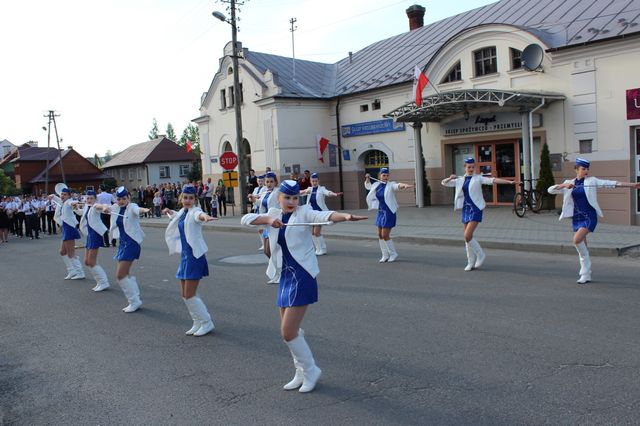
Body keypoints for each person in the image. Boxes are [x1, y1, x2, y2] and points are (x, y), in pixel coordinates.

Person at [241, 180, 367, 393]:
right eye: (287, 197)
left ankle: (310, 370)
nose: (291, 201)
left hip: (302, 275)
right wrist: (269, 220)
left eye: (295, 198)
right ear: (279, 198)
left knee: (288, 331)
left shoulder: (304, 213)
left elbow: (324, 216)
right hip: (285, 276)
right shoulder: (274, 213)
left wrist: (345, 216)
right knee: (290, 331)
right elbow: (245, 219)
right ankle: (300, 372)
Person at [548, 158, 640, 284]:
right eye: (583, 168)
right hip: (577, 217)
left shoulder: (592, 181)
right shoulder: (569, 182)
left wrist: (632, 185)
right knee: (582, 245)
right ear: (576, 169)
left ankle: (585, 268)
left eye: (587, 169)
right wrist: (563, 186)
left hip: (589, 216)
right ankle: (586, 274)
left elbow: (611, 183)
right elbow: (550, 190)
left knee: (576, 240)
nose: (586, 171)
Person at [441, 158, 516, 271]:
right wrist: (450, 178)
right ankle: (470, 261)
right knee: (467, 238)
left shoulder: (478, 178)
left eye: (473, 167)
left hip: (476, 209)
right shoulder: (460, 179)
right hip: (466, 209)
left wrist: (509, 182)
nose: (471, 169)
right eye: (469, 167)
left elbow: (493, 180)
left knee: (467, 235)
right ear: (465, 167)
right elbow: (444, 183)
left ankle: (480, 254)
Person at [163, 185, 217, 336]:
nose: (187, 200)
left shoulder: (195, 211)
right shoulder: (183, 212)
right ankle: (197, 321)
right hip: (185, 257)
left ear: (195, 199)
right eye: (185, 198)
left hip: (194, 257)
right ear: (181, 198)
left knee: (189, 294)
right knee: (185, 294)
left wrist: (205, 217)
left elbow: (199, 215)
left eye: (191, 198)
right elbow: (179, 217)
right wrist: (170, 212)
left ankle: (206, 322)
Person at [95, 186, 150, 312]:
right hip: (123, 243)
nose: (121, 201)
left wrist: (144, 210)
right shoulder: (115, 207)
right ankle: (135, 296)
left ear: (128, 198)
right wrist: (104, 208)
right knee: (125, 273)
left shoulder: (132, 207)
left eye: (124, 199)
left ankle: (134, 301)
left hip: (132, 243)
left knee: (120, 275)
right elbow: (97, 206)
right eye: (119, 199)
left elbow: (137, 209)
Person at [364, 167, 414, 263]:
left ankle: (393, 253)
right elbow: (368, 186)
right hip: (380, 212)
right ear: (380, 176)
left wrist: (404, 185)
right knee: (379, 235)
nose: (386, 177)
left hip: (389, 212)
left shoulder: (391, 185)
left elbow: (397, 186)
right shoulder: (376, 184)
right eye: (384, 175)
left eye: (387, 175)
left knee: (385, 235)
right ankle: (385, 255)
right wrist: (367, 178)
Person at [299, 172, 342, 255]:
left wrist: (335, 194)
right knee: (312, 233)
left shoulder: (321, 189)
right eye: (312, 181)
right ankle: (318, 249)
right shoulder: (309, 189)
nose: (314, 183)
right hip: (311, 214)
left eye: (316, 181)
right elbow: (301, 193)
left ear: (318, 181)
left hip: (319, 214)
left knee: (316, 232)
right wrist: (297, 192)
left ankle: (323, 248)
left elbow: (328, 192)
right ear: (310, 181)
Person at [248, 172, 280, 280]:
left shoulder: (277, 192)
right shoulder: (266, 192)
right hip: (267, 224)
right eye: (267, 182)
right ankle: (277, 272)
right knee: (267, 251)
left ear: (275, 182)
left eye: (271, 181)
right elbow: (261, 204)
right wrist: (253, 200)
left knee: (273, 250)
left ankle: (279, 273)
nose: (269, 183)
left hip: (274, 224)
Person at [77, 190, 110, 292]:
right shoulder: (87, 206)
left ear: (95, 199)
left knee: (91, 261)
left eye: (91, 198)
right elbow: (82, 213)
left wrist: (104, 208)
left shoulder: (95, 206)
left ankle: (104, 282)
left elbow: (101, 206)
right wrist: (75, 209)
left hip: (95, 235)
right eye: (88, 198)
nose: (89, 200)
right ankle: (100, 281)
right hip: (90, 235)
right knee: (87, 261)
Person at [50, 187, 85, 280]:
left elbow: (71, 203)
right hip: (65, 228)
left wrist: (74, 203)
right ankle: (72, 270)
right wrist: (52, 196)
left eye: (65, 194)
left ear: (69, 196)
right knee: (62, 252)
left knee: (70, 253)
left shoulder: (69, 202)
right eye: (61, 194)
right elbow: (58, 199)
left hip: (70, 228)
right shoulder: (63, 202)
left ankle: (80, 272)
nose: (62, 196)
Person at [248, 174, 266, 249]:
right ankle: (263, 244)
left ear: (264, 181)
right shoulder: (255, 189)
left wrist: (254, 197)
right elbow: (252, 198)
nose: (260, 182)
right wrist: (251, 197)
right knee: (259, 229)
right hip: (256, 210)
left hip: (263, 211)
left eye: (261, 181)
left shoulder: (265, 188)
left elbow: (261, 198)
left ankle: (266, 244)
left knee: (263, 229)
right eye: (259, 181)